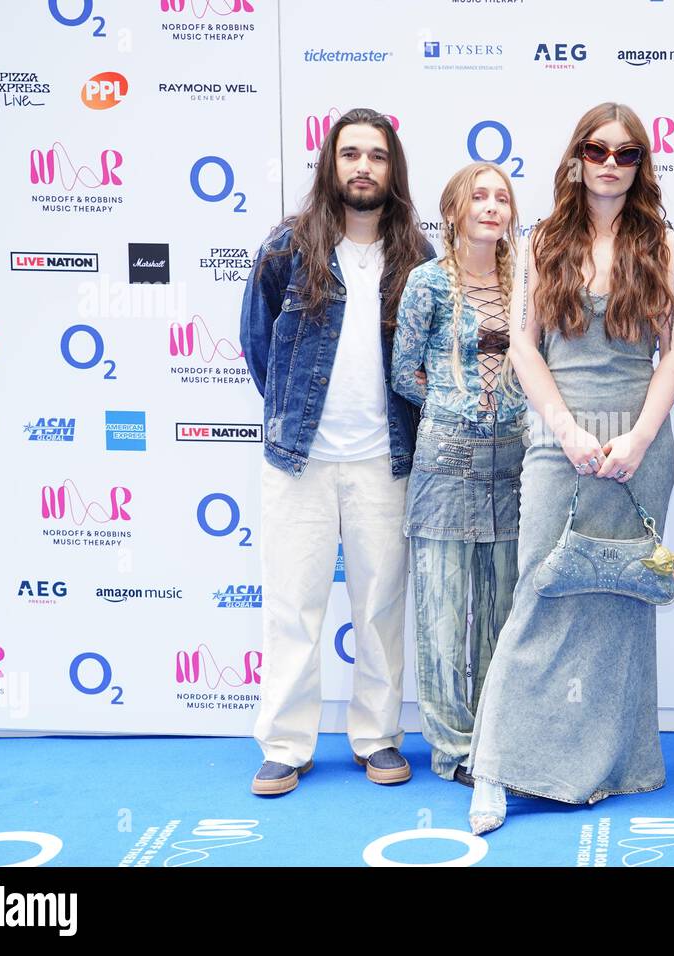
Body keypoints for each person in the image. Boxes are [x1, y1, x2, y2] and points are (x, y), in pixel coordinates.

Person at [466, 102, 674, 834]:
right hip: (559, 443)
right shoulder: (542, 242)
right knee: (539, 593)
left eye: (627, 155)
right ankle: (494, 769)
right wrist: (564, 432)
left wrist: (636, 440)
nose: (611, 164)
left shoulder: (668, 244)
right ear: (577, 157)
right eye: (598, 150)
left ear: (641, 166)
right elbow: (524, 347)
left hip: (640, 447)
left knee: (619, 603)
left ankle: (612, 765)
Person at [239, 107, 433, 796]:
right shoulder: (287, 250)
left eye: (376, 156)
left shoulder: (417, 259)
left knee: (381, 604)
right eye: (350, 153)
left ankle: (378, 737)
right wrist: (297, 421)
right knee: (293, 605)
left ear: (392, 169)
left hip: (386, 460)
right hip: (300, 461)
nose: (362, 166)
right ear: (331, 164)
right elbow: (258, 346)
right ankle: (287, 744)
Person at [391, 163, 526, 785]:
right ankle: (453, 750)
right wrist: (456, 399)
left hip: (514, 467)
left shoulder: (525, 283)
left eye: (502, 197)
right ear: (453, 210)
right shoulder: (426, 283)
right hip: (444, 466)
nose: (492, 207)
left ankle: (497, 741)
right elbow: (403, 373)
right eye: (479, 196)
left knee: (503, 614)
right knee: (442, 617)